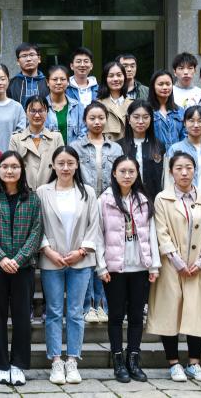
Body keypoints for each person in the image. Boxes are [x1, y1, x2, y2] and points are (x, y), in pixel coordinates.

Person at [147, 152, 201, 383]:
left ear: (195, 170)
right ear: (171, 172)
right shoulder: (162, 199)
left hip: (199, 267)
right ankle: (173, 363)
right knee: (169, 313)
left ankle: (194, 363)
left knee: (197, 313)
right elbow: (161, 232)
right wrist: (177, 261)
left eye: (189, 167)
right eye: (179, 168)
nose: (184, 172)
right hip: (172, 266)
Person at [37, 146, 101, 386]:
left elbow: (94, 225)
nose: (65, 167)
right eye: (61, 163)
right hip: (51, 259)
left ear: (77, 165)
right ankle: (56, 360)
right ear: (53, 165)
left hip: (81, 260)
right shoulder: (42, 192)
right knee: (54, 311)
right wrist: (47, 250)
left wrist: (82, 251)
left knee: (75, 312)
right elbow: (37, 224)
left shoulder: (88, 192)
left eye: (70, 163)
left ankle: (72, 359)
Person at [0, 151, 43, 387]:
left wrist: (19, 258)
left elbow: (37, 232)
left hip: (23, 267)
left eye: (14, 166)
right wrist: (2, 257)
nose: (9, 171)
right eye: (5, 166)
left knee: (22, 317)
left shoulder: (32, 199)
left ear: (21, 170)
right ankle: (2, 365)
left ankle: (18, 365)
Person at [97, 156, 160, 384]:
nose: (127, 175)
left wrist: (154, 265)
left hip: (140, 267)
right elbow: (98, 234)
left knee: (136, 316)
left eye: (131, 171)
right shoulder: (104, 200)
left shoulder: (143, 200)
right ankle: (118, 360)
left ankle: (133, 359)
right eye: (122, 171)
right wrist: (101, 266)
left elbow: (151, 233)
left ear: (137, 173)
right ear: (114, 173)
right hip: (115, 268)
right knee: (115, 316)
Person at [70, 101, 121, 323]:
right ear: (85, 120)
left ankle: (103, 304)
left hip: (110, 204)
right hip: (84, 204)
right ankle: (88, 304)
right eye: (92, 118)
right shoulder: (76, 146)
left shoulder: (116, 148)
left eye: (101, 118)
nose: (97, 122)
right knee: (88, 253)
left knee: (105, 253)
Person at [165, 105, 201, 193]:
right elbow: (168, 181)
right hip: (182, 200)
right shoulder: (174, 150)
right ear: (184, 123)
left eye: (200, 121)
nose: (196, 125)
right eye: (191, 121)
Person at [8, 96, 63, 191]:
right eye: (33, 111)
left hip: (51, 191)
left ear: (47, 112)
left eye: (41, 111)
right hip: (24, 192)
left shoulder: (56, 137)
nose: (37, 115)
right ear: (26, 113)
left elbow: (61, 166)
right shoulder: (16, 139)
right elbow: (12, 168)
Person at [118, 100, 164, 198]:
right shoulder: (119, 146)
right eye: (136, 117)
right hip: (126, 198)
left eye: (145, 117)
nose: (140, 121)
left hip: (154, 198)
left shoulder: (159, 145)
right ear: (128, 119)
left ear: (151, 119)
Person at [43, 66, 86, 145]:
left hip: (74, 151)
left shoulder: (78, 107)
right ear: (47, 82)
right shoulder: (41, 107)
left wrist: (70, 151)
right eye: (55, 79)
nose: (59, 82)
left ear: (68, 82)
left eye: (63, 79)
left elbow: (83, 134)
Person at [148, 70, 185, 151]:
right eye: (160, 84)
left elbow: (185, 137)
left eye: (168, 84)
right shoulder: (147, 111)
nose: (165, 87)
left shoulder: (180, 111)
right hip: (154, 155)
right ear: (153, 86)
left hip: (177, 155)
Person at [100, 61, 131, 141]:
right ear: (105, 79)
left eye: (119, 75)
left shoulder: (132, 104)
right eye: (111, 76)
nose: (115, 79)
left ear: (124, 78)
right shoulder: (98, 105)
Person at [8, 42, 45, 106]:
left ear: (39, 59)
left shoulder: (48, 83)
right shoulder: (10, 84)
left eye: (32, 55)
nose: (28, 59)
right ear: (18, 61)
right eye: (24, 56)